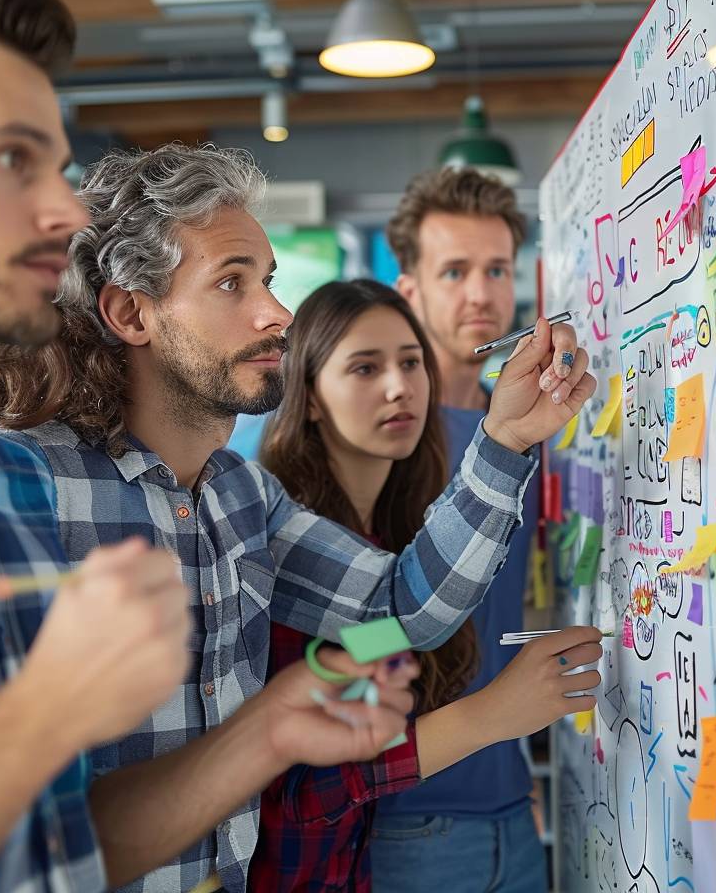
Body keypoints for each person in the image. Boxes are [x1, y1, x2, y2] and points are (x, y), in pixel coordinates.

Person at [0, 0, 413, 892]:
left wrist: (264, 732)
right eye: (11, 159)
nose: (65, 210)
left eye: (57, 167)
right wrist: (37, 717)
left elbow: (63, 846)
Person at [0, 142, 595, 893]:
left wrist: (504, 439)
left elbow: (401, 612)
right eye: (232, 283)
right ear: (130, 312)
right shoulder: (24, 485)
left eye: (265, 279)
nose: (277, 312)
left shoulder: (241, 495)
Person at [250, 278, 603, 892]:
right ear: (307, 397)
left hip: (480, 831)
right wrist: (489, 717)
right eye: (365, 368)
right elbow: (301, 791)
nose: (399, 386)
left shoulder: (402, 531)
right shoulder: (286, 545)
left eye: (411, 363)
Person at [372, 168, 555, 892]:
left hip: (513, 807)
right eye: (454, 271)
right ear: (409, 286)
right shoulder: (371, 438)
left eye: (497, 269)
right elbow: (345, 634)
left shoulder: (532, 427)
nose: (480, 293)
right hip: (403, 815)